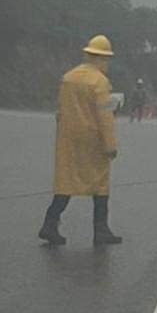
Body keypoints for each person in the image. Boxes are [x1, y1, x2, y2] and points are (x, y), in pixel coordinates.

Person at [38, 34, 122, 247]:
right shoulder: (100, 82)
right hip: (93, 142)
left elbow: (60, 111)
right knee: (100, 186)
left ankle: (50, 224)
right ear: (102, 59)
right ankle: (100, 230)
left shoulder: (69, 77)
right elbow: (105, 117)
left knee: (65, 183)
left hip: (68, 140)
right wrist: (110, 145)